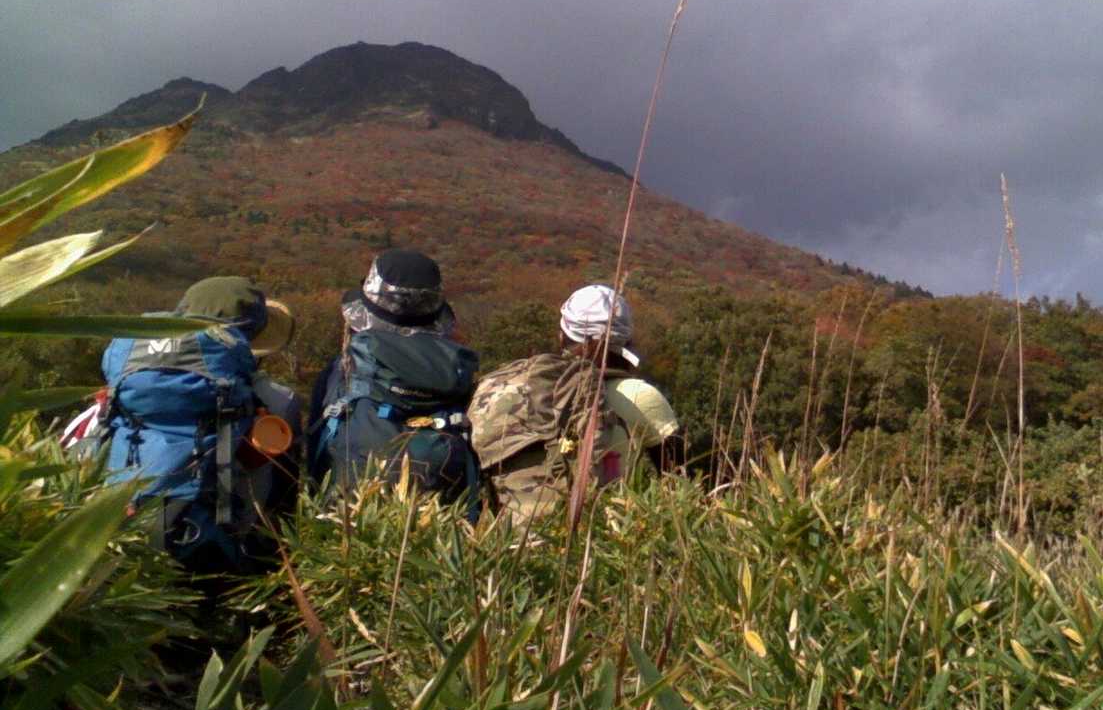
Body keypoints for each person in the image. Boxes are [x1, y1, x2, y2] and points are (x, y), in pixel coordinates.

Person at [88, 276, 301, 573]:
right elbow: (284, 496)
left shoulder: (121, 392)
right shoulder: (279, 402)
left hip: (114, 535)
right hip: (215, 551)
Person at [468, 283, 680, 521]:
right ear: (627, 340)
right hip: (608, 532)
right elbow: (681, 482)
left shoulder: (530, 390)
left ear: (562, 337)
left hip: (518, 531)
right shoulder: (641, 396)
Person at [307, 249, 481, 504]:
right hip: (443, 513)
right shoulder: (460, 368)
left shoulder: (342, 368)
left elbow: (314, 450)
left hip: (350, 511)